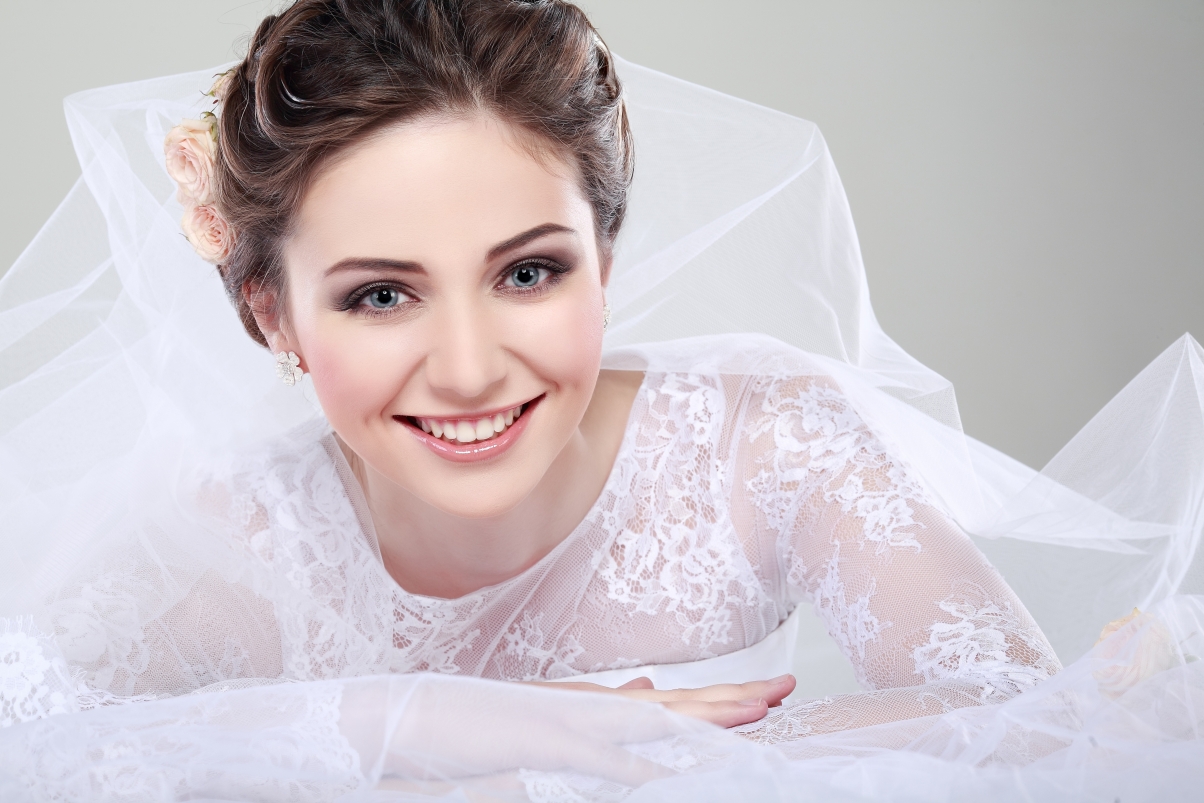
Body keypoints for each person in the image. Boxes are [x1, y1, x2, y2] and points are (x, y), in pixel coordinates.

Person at [1, 1, 1201, 799]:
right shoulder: (233, 542)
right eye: (380, 295)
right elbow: (30, 747)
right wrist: (436, 723)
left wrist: (624, 764)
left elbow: (1041, 725)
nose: (469, 367)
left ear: (607, 259)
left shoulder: (761, 444)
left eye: (529, 272)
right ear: (271, 312)